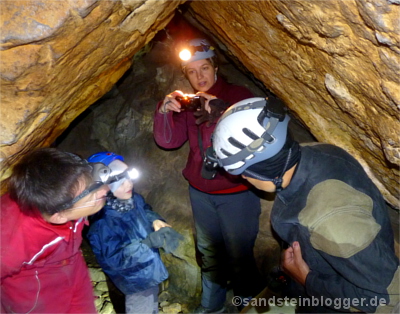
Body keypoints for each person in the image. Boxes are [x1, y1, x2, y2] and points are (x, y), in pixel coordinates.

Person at [207, 97, 400, 313]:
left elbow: (388, 299)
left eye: (242, 173)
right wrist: (288, 273)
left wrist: (307, 280)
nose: (243, 179)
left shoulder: (331, 219)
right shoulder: (315, 152)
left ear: (258, 170)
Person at [153, 38, 264, 313]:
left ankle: (245, 304)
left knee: (240, 254)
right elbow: (169, 141)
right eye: (192, 71)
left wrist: (222, 111)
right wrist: (164, 111)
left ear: (215, 67)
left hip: (236, 191)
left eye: (204, 68)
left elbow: (257, 135)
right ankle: (211, 305)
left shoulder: (237, 94)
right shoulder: (188, 103)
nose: (199, 76)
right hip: (201, 192)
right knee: (208, 252)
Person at [1, 147, 110, 313]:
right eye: (94, 195)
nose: (105, 190)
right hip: (35, 298)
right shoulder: (12, 241)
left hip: (71, 267)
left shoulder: (63, 198)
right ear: (59, 217)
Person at [86, 152, 183, 314]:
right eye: (122, 182)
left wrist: (154, 220)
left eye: (130, 178)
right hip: (132, 283)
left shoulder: (133, 199)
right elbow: (115, 259)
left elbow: (145, 209)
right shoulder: (101, 222)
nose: (129, 184)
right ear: (104, 188)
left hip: (148, 272)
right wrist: (148, 244)